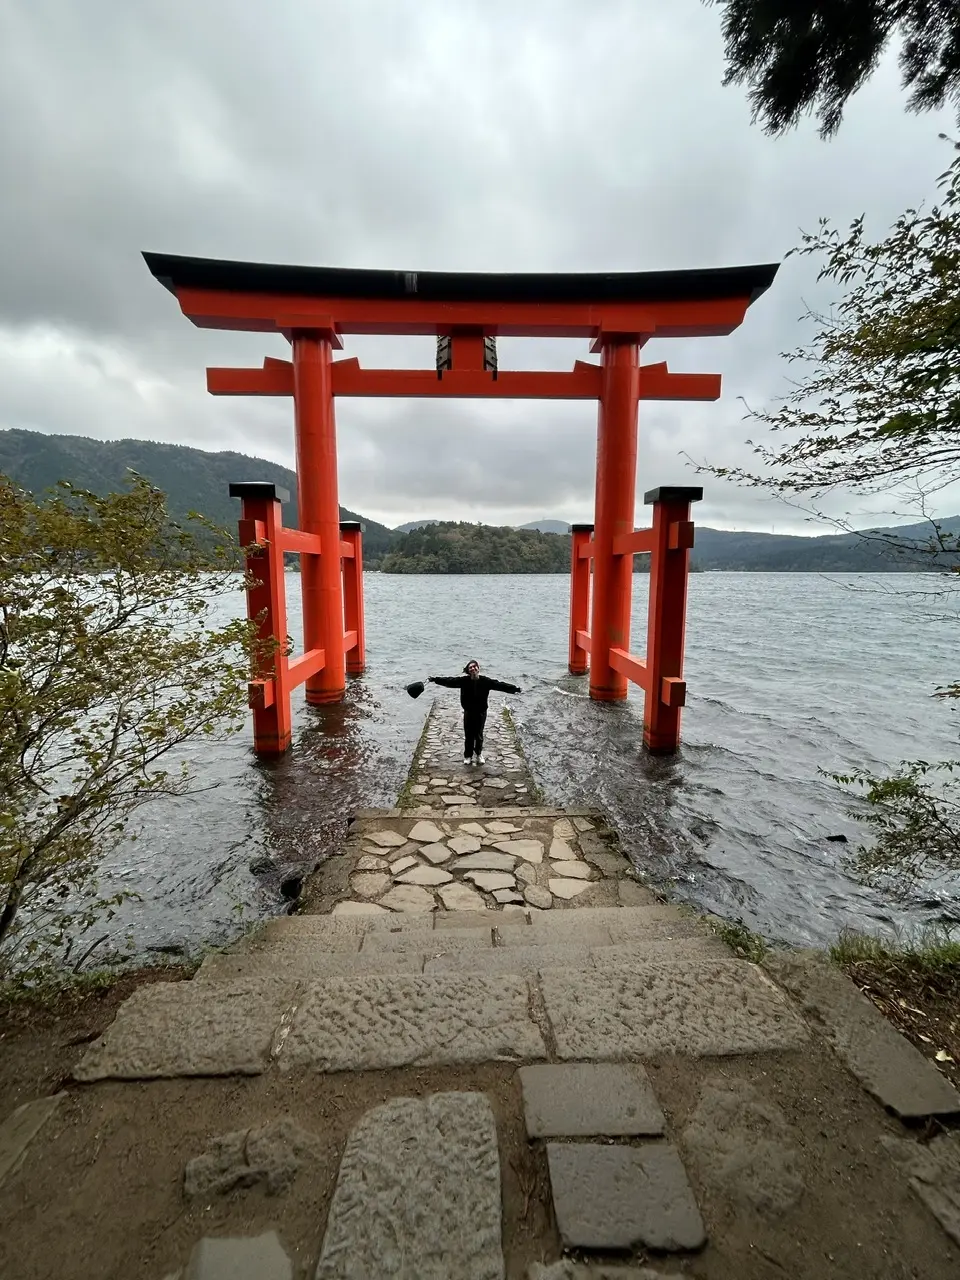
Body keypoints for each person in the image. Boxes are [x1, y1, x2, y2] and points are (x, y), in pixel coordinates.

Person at [429, 660, 521, 765]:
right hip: (469, 712)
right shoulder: (464, 681)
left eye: (474, 666)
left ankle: (478, 754)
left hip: (481, 712)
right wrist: (435, 679)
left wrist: (515, 689)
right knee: (469, 735)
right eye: (470, 668)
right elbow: (449, 681)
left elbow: (500, 685)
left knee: (478, 735)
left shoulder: (486, 681)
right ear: (468, 671)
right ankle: (468, 756)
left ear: (478, 668)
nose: (473, 669)